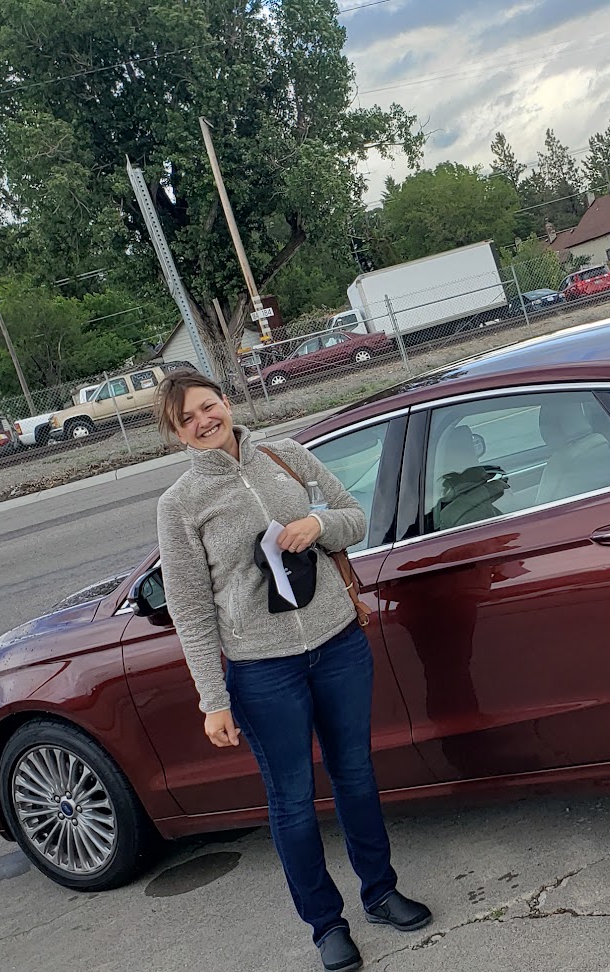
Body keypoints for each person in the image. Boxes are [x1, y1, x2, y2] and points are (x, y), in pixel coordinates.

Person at [152, 371, 431, 972]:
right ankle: (326, 925)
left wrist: (317, 526)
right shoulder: (180, 505)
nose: (204, 421)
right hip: (262, 670)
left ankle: (381, 892)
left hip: (338, 645)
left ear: (226, 402)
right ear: (176, 435)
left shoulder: (287, 457)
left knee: (355, 775)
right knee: (293, 800)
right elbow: (191, 608)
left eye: (208, 406)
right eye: (187, 419)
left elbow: (355, 517)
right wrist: (212, 698)